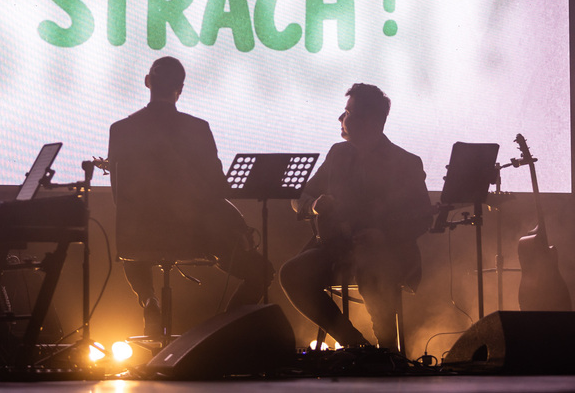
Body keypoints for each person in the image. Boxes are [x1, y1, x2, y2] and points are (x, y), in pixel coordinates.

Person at [107, 56, 273, 336]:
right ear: (180, 89)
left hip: (139, 240)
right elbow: (218, 187)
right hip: (195, 237)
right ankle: (223, 332)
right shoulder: (198, 128)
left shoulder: (120, 129)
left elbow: (118, 197)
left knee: (132, 240)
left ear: (148, 82)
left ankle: (149, 300)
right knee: (263, 271)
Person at [279, 83, 432, 351]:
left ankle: (387, 349)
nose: (341, 118)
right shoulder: (338, 154)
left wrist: (382, 235)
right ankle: (356, 346)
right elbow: (300, 197)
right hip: (337, 249)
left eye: (348, 113)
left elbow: (422, 217)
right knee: (292, 274)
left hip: (387, 252)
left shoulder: (406, 162)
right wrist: (313, 205)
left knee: (372, 264)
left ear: (369, 121)